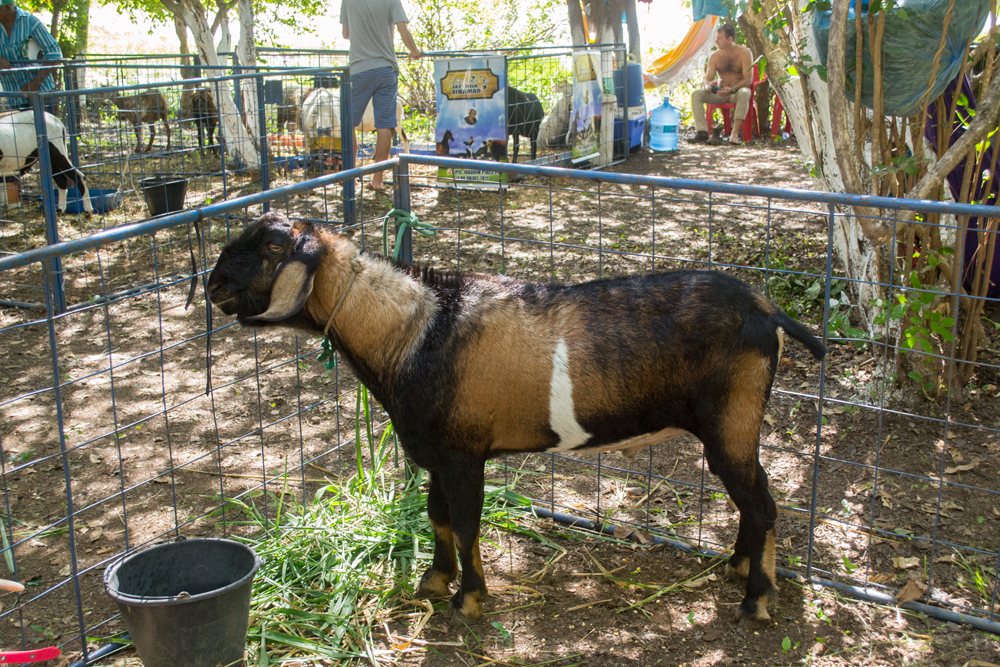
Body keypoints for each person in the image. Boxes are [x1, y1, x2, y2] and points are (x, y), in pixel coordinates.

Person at [340, 0, 421, 192]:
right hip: (386, 69)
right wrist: (414, 51)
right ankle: (377, 180)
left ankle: (350, 179)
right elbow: (403, 30)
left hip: (360, 70)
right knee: (384, 124)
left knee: (348, 123)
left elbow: (346, 34)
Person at [688, 24, 753, 146]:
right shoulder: (715, 56)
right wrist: (708, 87)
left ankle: (734, 134)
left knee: (745, 92)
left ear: (729, 39)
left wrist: (732, 89)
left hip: (735, 93)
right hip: (720, 93)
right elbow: (707, 80)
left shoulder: (745, 53)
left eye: (720, 38)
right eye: (716, 38)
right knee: (697, 94)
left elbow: (748, 80)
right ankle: (702, 132)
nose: (716, 41)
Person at [0, 0, 63, 111]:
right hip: (15, 98)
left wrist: (35, 83)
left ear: (7, 7)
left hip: (41, 95)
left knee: (43, 128)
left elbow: (55, 55)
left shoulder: (30, 22)